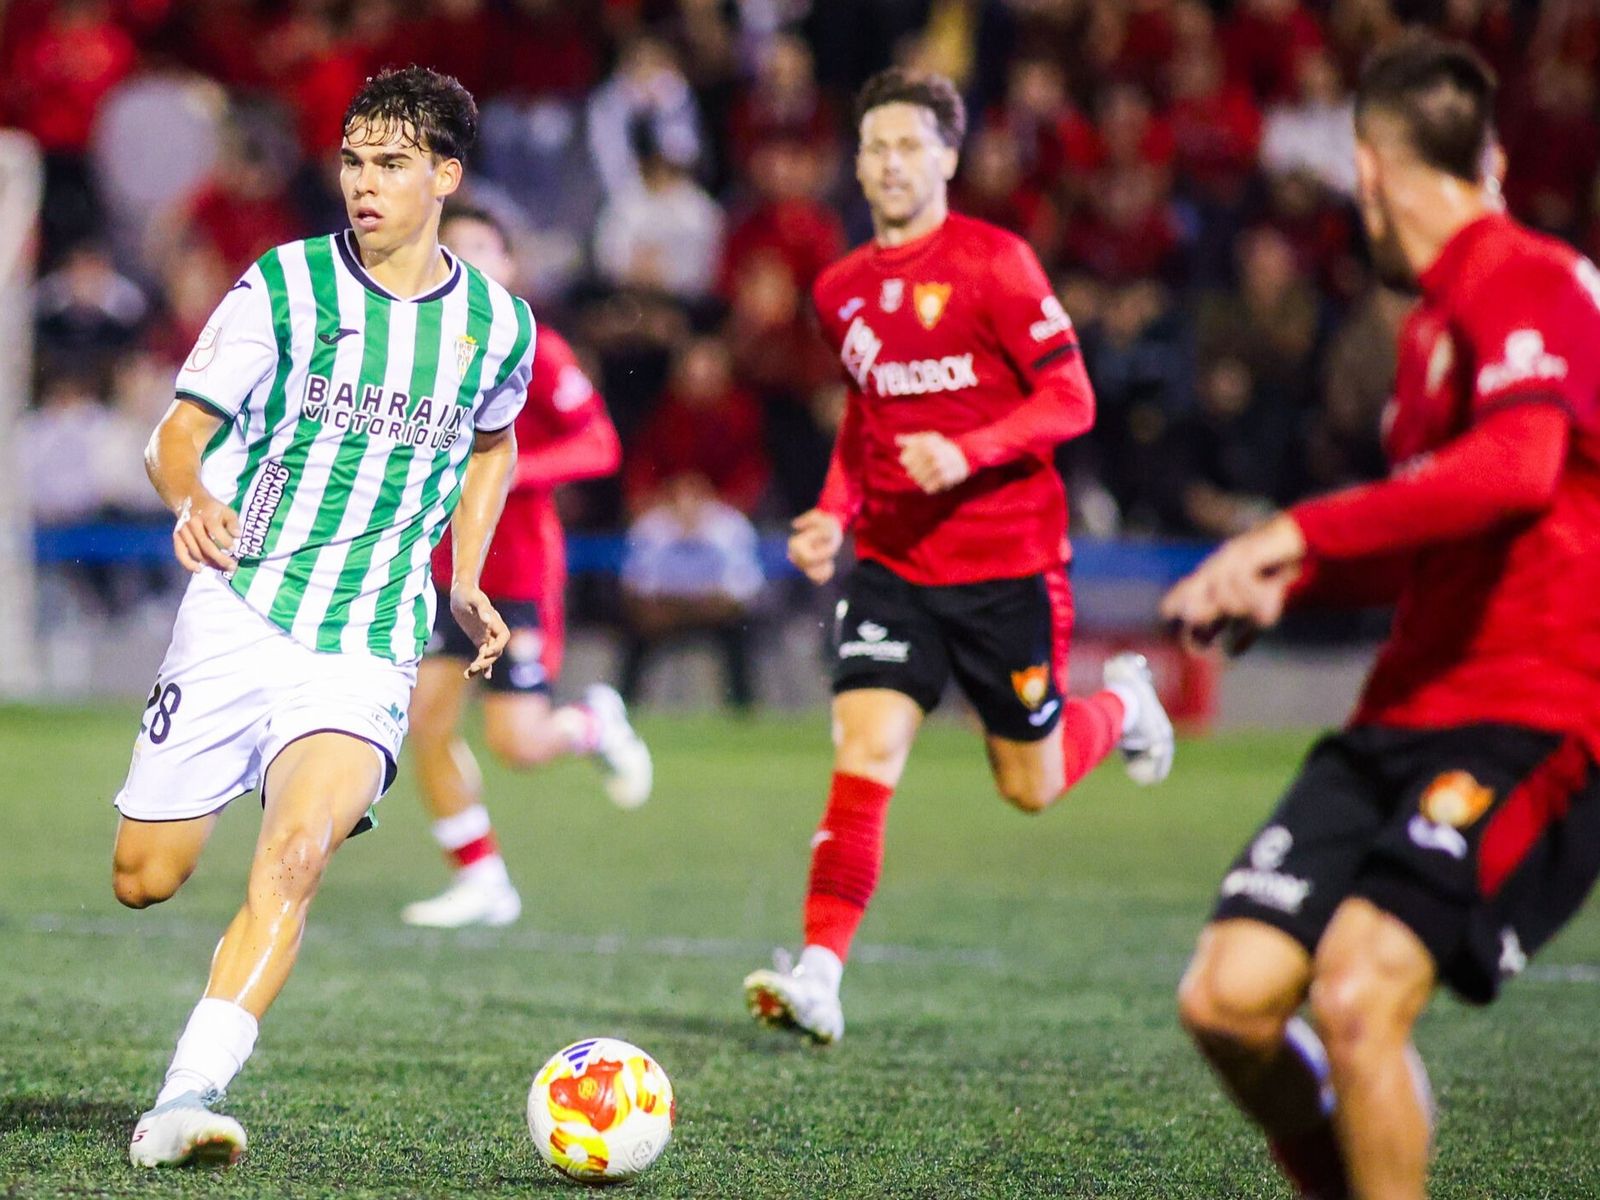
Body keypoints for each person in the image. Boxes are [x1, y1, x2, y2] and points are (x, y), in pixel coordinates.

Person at [1162, 34, 1600, 1200]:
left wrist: (1290, 532)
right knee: (1228, 1001)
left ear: (1364, 169)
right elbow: (1433, 533)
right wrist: (1293, 584)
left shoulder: (1536, 279)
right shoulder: (1423, 334)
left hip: (1530, 717)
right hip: (1400, 714)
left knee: (1355, 995)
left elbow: (1518, 469)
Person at [113, 66, 536, 1167]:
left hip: (368, 641)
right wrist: (191, 499)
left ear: (446, 176)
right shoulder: (285, 286)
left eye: (392, 163)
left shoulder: (498, 326)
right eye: (353, 160)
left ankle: (185, 1097)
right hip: (241, 610)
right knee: (144, 878)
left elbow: (494, 445)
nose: (364, 183)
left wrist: (465, 576)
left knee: (297, 855)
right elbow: (175, 436)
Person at [742, 68, 1175, 1045]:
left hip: (1008, 567)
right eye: (875, 147)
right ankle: (819, 975)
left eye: (910, 145)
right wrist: (833, 513)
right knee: (864, 754)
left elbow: (1072, 399)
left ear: (947, 157)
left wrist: (970, 450)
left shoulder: (997, 263)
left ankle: (1124, 704)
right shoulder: (838, 291)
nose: (891, 163)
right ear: (857, 165)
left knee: (1031, 786)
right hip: (894, 567)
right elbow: (865, 414)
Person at [402, 203, 650, 930]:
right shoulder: (417, 345)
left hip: (514, 573)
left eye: (485, 247)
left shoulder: (533, 347)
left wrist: (510, 471)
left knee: (517, 743)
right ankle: (483, 879)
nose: (470, 260)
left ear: (510, 264)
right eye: (455, 248)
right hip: (441, 569)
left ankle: (592, 725)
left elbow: (600, 445)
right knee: (425, 722)